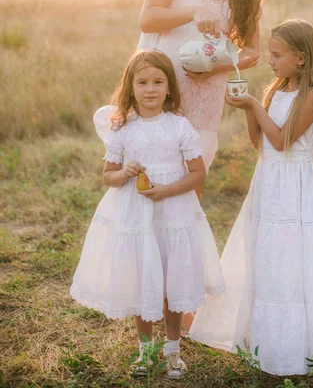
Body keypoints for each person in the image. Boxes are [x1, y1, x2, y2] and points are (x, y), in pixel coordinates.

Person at [189, 19, 313, 376]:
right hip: (269, 183)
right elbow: (262, 145)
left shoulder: (312, 96)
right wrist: (248, 110)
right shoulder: (276, 91)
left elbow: (284, 141)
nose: (269, 60)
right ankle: (265, 343)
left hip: (295, 188)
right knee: (267, 258)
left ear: (301, 58)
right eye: (270, 54)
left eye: (276, 55)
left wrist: (254, 106)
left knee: (289, 260)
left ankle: (291, 349)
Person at [70, 50, 224, 380]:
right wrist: (124, 171)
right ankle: (145, 350)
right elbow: (108, 176)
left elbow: (197, 173)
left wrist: (166, 191)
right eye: (142, 82)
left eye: (157, 82)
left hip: (172, 212)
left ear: (169, 88)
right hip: (136, 217)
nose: (150, 89)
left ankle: (172, 350)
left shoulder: (179, 126)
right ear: (130, 87)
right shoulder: (123, 129)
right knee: (143, 279)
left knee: (172, 280)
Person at [138, 0, 275, 180]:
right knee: (146, 182)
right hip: (159, 88)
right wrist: (192, 12)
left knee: (189, 187)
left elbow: (251, 51)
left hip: (206, 99)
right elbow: (148, 18)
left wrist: (215, 68)